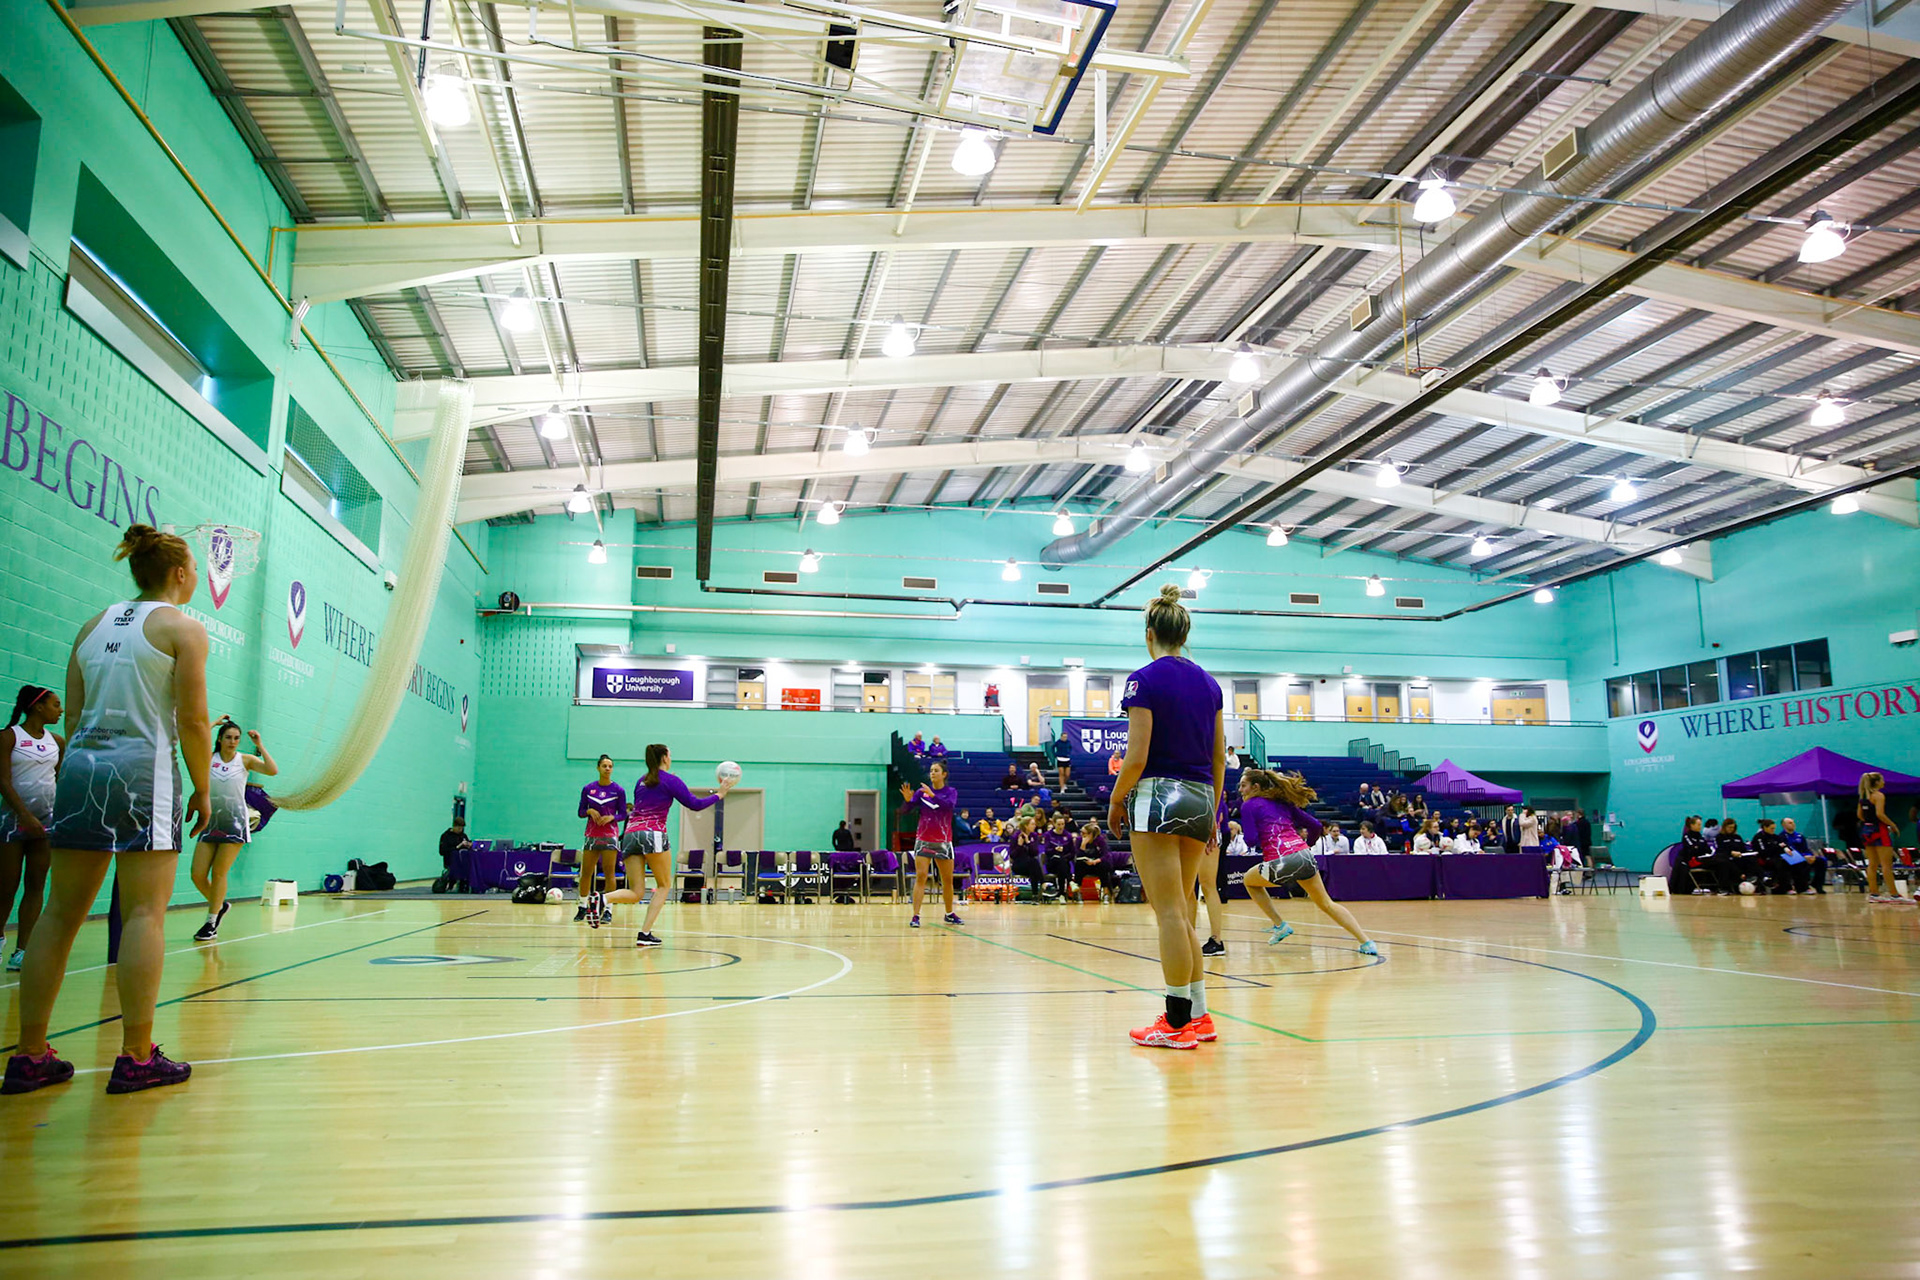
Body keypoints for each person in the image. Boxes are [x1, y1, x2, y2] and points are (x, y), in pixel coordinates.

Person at [5, 526, 210, 1094]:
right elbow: (195, 721)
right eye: (194, 568)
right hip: (144, 776)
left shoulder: (91, 626)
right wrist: (202, 787)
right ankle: (137, 1057)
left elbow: (72, 719)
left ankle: (28, 1055)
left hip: (79, 771)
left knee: (58, 914)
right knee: (144, 914)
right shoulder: (184, 628)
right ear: (178, 573)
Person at [1109, 584, 1223, 1050]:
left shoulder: (1143, 681)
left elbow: (1136, 756)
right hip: (1202, 796)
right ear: (1185, 634)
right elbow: (1218, 757)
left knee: (1170, 913)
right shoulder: (1210, 684)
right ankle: (1199, 1015)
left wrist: (1116, 800)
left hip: (1158, 796)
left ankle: (1175, 1023)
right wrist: (1214, 810)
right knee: (1185, 910)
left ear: (1149, 633)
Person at [603, 745, 733, 946]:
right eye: (670, 755)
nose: (671, 758)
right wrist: (720, 794)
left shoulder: (641, 781)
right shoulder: (671, 780)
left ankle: (602, 899)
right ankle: (644, 933)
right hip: (653, 833)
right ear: (664, 758)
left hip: (629, 834)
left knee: (636, 892)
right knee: (664, 885)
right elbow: (694, 804)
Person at [1235, 769, 1377, 954]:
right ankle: (1366, 942)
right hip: (1304, 855)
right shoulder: (1283, 803)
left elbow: (1251, 840)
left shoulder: (1249, 805)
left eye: (1243, 785)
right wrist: (1307, 844)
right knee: (1326, 903)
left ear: (1255, 787)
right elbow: (1316, 826)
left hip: (1281, 859)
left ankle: (1280, 925)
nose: (1240, 790)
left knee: (1249, 881)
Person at [189, 717, 278, 941]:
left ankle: (211, 923)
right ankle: (220, 905)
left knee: (219, 873)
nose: (232, 741)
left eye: (236, 738)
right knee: (197, 874)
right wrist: (212, 724)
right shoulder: (209, 758)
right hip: (211, 821)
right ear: (220, 739)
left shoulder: (245, 760)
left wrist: (259, 744)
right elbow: (194, 739)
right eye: (228, 737)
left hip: (235, 822)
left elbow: (272, 770)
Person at [1, 686, 63, 973]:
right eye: (55, 704)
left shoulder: (57, 742)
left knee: (36, 885)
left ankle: (22, 950)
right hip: (12, 822)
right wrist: (24, 815)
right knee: (6, 886)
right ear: (38, 707)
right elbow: (3, 781)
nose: (60, 710)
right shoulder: (9, 737)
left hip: (45, 824)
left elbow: (59, 780)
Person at [900, 760, 963, 928]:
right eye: (931, 770)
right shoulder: (921, 792)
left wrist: (933, 795)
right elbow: (905, 811)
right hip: (924, 839)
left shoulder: (950, 792)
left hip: (943, 841)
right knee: (921, 876)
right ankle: (915, 916)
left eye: (936, 770)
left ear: (944, 774)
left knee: (947, 879)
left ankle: (949, 913)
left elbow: (948, 806)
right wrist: (907, 801)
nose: (932, 773)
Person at [575, 754, 627, 928]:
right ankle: (582, 906)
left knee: (609, 872)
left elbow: (623, 814)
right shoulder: (588, 788)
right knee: (586, 872)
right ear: (598, 768)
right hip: (591, 834)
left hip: (610, 835)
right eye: (604, 766)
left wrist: (612, 817)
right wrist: (589, 811)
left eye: (610, 766)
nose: (607, 769)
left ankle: (608, 910)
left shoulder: (618, 790)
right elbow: (580, 812)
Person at [1857, 772, 1911, 904]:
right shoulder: (1879, 795)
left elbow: (1860, 815)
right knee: (1886, 865)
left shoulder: (1863, 797)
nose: (1884, 782)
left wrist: (1869, 823)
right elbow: (1880, 814)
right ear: (1876, 782)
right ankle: (1894, 895)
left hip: (1866, 830)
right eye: (1882, 780)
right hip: (1879, 830)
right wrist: (1892, 825)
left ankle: (1874, 894)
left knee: (1872, 864)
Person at [1672, 814, 1732, 895]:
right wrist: (1699, 849)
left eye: (1700, 825)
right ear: (1692, 825)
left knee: (1723, 861)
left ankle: (1724, 887)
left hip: (1704, 859)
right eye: (1698, 824)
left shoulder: (1701, 837)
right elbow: (1692, 849)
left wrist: (1699, 848)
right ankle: (1722, 888)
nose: (1700, 827)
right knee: (1721, 862)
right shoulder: (1687, 836)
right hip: (1694, 861)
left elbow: (1707, 850)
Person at [1779, 817, 1828, 894]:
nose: (1793, 824)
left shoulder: (1799, 836)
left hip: (1805, 856)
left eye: (1793, 822)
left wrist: (1810, 856)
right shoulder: (1781, 837)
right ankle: (1803, 887)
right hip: (1791, 857)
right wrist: (1803, 856)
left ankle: (1817, 884)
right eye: (1790, 823)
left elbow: (1805, 848)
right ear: (1784, 825)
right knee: (1801, 862)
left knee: (1822, 861)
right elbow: (1789, 849)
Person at [1074, 821, 1113, 898]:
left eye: (1084, 833)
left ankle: (1105, 893)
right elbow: (1078, 855)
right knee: (1078, 865)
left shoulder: (1100, 840)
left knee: (1103, 866)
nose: (1081, 834)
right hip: (1085, 865)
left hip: (1096, 864)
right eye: (1081, 832)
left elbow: (1105, 855)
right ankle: (1078, 892)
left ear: (1090, 834)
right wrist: (1083, 845)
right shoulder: (1079, 840)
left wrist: (1095, 861)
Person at [439, 816, 472, 891]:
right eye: (459, 828)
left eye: (462, 828)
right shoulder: (446, 836)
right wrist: (458, 846)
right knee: (459, 865)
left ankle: (465, 884)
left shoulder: (463, 835)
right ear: (454, 826)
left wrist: (469, 845)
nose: (460, 830)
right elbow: (442, 851)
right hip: (450, 859)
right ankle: (454, 882)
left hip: (463, 860)